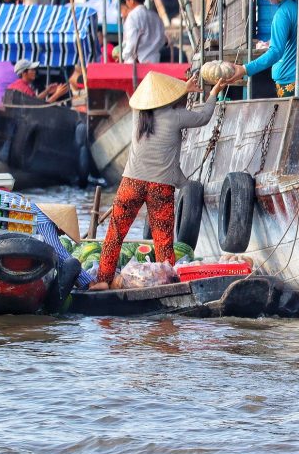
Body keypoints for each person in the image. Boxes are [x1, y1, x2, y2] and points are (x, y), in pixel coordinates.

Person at [89, 71, 226, 290]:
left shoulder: (138, 114)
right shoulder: (176, 116)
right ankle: (167, 283)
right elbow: (203, 117)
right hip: (160, 186)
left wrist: (184, 88)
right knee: (163, 240)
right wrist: (214, 94)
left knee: (115, 234)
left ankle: (103, 280)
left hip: (131, 182)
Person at [120, 0, 166, 64]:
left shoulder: (132, 17)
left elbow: (132, 43)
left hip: (136, 66)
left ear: (131, 0)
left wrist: (124, 55)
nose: (126, 3)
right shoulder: (155, 16)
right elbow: (162, 40)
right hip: (155, 61)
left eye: (126, 0)